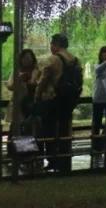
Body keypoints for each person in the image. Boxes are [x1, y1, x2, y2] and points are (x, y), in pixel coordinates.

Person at [35, 33, 81, 172]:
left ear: (55, 45)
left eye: (51, 44)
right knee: (64, 129)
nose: (50, 47)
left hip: (53, 99)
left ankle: (52, 159)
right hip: (69, 100)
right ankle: (65, 158)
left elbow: (44, 79)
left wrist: (37, 95)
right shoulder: (75, 60)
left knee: (48, 129)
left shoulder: (54, 59)